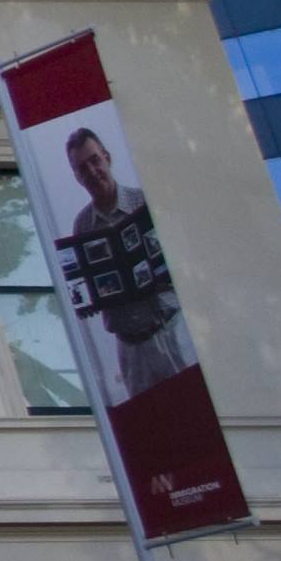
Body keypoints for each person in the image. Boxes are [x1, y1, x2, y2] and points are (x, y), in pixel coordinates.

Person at [52, 124, 200, 400]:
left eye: (94, 160)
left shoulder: (145, 201)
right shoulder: (82, 226)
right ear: (77, 177)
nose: (92, 172)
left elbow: (186, 256)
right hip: (131, 349)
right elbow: (85, 281)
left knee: (196, 406)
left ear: (107, 157)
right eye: (82, 168)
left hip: (171, 331)